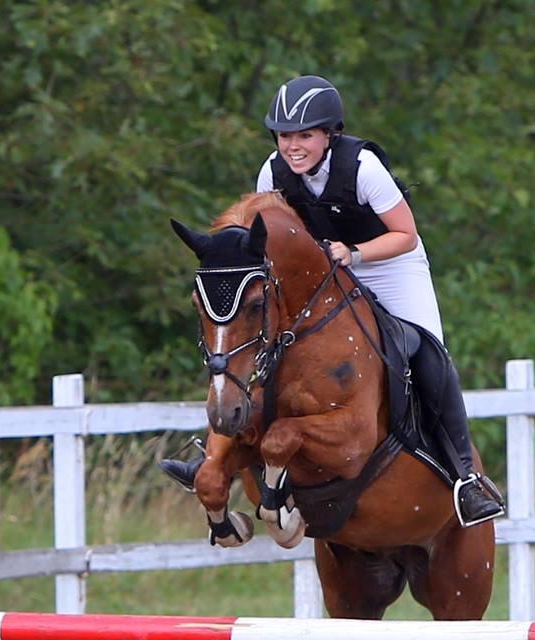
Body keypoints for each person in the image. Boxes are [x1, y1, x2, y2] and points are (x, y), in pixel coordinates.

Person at [164, 75, 504, 526]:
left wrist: (356, 253)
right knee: (257, 343)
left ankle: (465, 477)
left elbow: (405, 235)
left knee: (427, 351)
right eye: (286, 135)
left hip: (386, 260)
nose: (294, 146)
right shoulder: (272, 173)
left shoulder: (363, 167)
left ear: (330, 134)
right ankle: (215, 455)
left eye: (305, 135)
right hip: (321, 269)